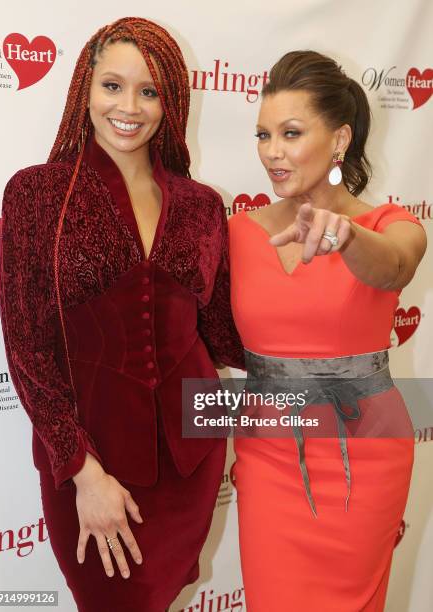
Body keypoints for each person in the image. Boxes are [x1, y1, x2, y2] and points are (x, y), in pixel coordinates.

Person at [0, 17, 244, 612]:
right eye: (112, 85)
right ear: (85, 88)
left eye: (149, 90)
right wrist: (82, 470)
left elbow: (222, 337)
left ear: (172, 101)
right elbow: (28, 344)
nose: (128, 106)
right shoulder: (35, 194)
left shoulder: (201, 204)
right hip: (91, 459)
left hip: (194, 449)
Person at [228, 50, 426, 612]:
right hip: (268, 456)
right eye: (263, 134)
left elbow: (396, 266)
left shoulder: (390, 225)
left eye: (291, 133)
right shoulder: (237, 233)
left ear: (340, 139)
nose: (272, 151)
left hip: (364, 458)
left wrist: (347, 238)